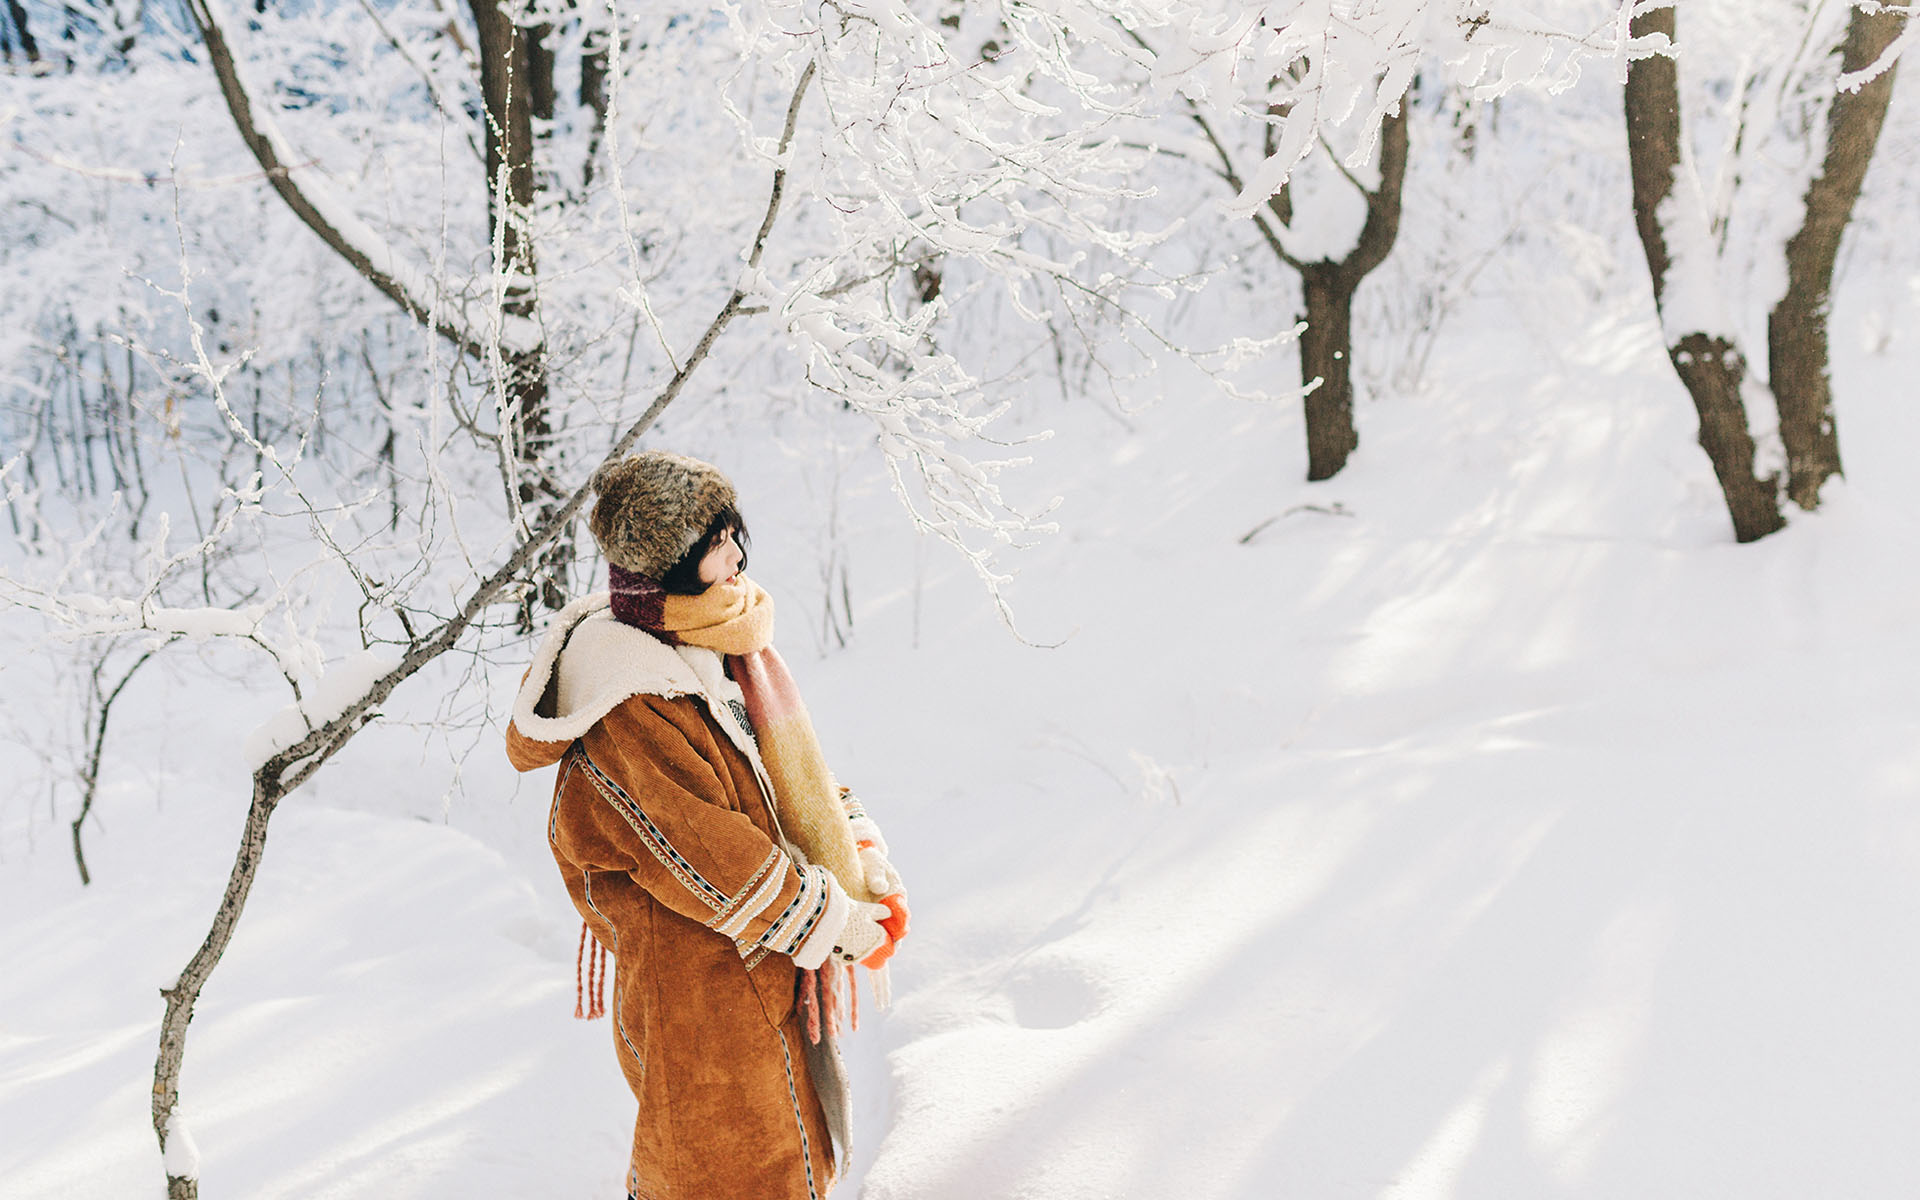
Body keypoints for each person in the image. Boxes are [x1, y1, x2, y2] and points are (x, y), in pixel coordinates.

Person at [504, 450, 908, 1200]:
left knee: (782, 1156)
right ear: (665, 564)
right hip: (698, 982)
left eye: (731, 529)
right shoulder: (629, 694)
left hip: (762, 959)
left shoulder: (714, 640)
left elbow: (777, 779)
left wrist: (856, 845)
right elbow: (705, 857)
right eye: (712, 541)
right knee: (726, 1170)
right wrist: (834, 919)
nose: (736, 554)